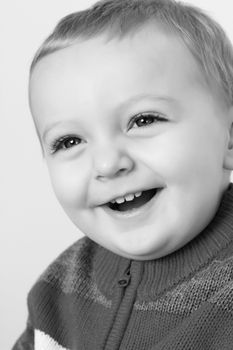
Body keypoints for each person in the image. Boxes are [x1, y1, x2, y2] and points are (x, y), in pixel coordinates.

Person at [12, 0, 233, 349]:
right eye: (69, 141)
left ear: (229, 135)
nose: (107, 163)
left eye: (143, 120)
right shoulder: (55, 293)